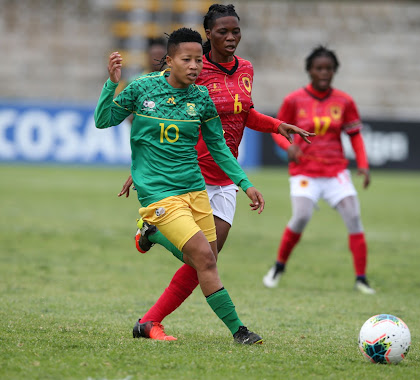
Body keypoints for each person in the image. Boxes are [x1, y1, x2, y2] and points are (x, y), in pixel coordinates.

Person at [117, 4, 314, 341]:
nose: (231, 37)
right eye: (222, 31)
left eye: (236, 31)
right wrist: (148, 167)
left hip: (224, 177)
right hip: (187, 174)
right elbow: (165, 117)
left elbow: (245, 112)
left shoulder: (246, 69)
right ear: (208, 33)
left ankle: (148, 317)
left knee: (205, 260)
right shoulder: (194, 68)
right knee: (204, 259)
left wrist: (277, 125)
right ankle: (192, 325)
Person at [94, 27, 265, 344]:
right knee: (204, 258)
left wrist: (245, 183)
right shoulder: (142, 89)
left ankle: (152, 235)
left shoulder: (201, 98)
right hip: (159, 194)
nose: (195, 66)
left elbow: (218, 147)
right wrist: (111, 83)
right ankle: (240, 332)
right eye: (187, 59)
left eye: (199, 60)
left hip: (195, 191)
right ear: (169, 61)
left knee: (206, 261)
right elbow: (103, 120)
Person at [262, 46, 376, 295]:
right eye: (319, 68)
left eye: (329, 68)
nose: (324, 73)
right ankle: (278, 267)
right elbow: (277, 130)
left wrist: (364, 165)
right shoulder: (293, 100)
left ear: (335, 71)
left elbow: (355, 136)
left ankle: (361, 279)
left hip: (336, 171)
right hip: (305, 171)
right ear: (309, 71)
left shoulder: (345, 101)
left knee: (354, 218)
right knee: (301, 217)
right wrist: (288, 147)